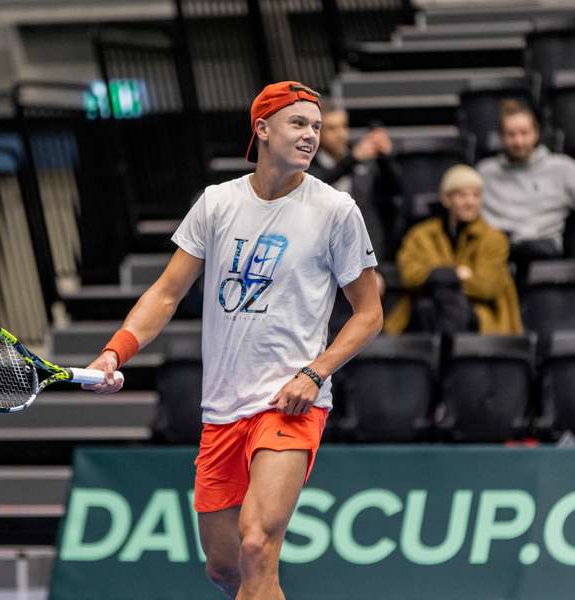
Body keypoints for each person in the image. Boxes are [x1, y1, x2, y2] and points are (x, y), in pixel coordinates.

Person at [82, 81, 383, 600]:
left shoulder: (336, 210)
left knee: (256, 546)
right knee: (226, 569)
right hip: (222, 409)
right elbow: (165, 293)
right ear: (262, 129)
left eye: (316, 126)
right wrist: (116, 350)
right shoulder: (217, 203)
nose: (311, 135)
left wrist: (314, 374)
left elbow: (369, 313)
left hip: (290, 405)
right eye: (298, 124)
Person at [477, 99, 575, 282]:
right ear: (501, 137)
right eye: (511, 135)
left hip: (542, 251)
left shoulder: (560, 168)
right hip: (498, 252)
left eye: (524, 133)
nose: (518, 141)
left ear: (535, 134)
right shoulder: (485, 172)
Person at [385, 164, 522, 336]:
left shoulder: (494, 238)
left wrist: (434, 277)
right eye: (462, 195)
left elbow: (486, 287)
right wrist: (454, 274)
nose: (470, 202)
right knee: (427, 307)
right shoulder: (421, 235)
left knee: (447, 304)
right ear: (446, 198)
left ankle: (442, 357)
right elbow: (409, 275)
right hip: (427, 309)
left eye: (476, 195)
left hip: (477, 313)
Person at [307, 99, 400, 262]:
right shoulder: (307, 162)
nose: (341, 134)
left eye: (344, 126)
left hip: (363, 250)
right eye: (332, 128)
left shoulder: (364, 161)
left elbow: (394, 189)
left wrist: (385, 158)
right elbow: (316, 183)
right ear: (316, 132)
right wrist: (352, 160)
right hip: (320, 249)